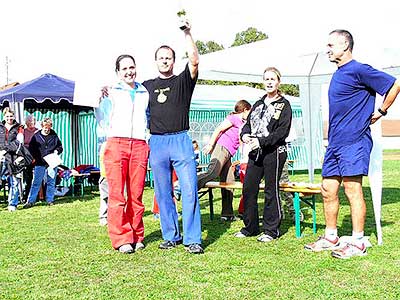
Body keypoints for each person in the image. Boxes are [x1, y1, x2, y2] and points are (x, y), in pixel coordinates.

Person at [304, 30, 400, 259]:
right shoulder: (338, 73)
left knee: (352, 189)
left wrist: (381, 111)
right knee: (328, 189)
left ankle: (358, 242)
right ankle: (331, 237)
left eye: (330, 44)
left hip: (355, 141)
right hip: (335, 143)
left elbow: (394, 84)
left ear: (345, 44)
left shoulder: (359, 69)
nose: (327, 49)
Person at [142, 19, 204, 254]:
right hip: (157, 142)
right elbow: (127, 92)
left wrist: (188, 32)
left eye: (168, 57)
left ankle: (193, 239)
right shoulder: (146, 86)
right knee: (162, 192)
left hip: (181, 140)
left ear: (174, 61)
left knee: (189, 190)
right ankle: (171, 235)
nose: (165, 61)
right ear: (156, 61)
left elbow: (195, 61)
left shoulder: (182, 81)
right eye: (161, 58)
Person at [234, 67, 292, 242]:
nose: (269, 82)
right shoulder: (258, 104)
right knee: (249, 188)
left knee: (270, 189)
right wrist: (244, 135)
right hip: (255, 151)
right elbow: (247, 125)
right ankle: (250, 227)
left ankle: (271, 230)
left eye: (272, 79)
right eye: (266, 79)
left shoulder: (284, 105)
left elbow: (282, 132)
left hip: (273, 152)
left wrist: (262, 141)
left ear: (278, 82)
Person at [99, 54, 150, 254]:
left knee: (136, 194)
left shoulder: (144, 92)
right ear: (118, 72)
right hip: (116, 143)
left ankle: (137, 235)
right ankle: (121, 238)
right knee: (117, 194)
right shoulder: (110, 92)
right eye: (124, 68)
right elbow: (100, 118)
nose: (129, 71)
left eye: (132, 67)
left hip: (138, 144)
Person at [197, 100, 251, 221]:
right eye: (250, 111)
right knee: (212, 172)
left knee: (229, 182)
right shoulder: (233, 118)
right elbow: (218, 129)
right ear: (245, 109)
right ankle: (186, 186)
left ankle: (227, 214)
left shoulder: (243, 122)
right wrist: (211, 144)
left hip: (229, 153)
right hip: (222, 147)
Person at [24, 117, 63, 207]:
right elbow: (31, 148)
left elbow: (60, 146)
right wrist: (34, 158)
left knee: (51, 181)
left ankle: (50, 200)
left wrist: (57, 151)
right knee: (36, 182)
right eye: (45, 127)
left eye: (48, 127)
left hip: (51, 162)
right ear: (42, 126)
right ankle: (30, 201)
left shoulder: (54, 135)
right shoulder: (36, 136)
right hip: (39, 162)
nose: (47, 129)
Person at [0, 107, 25, 212]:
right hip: (1, 158)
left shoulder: (19, 127)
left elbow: (18, 143)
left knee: (14, 182)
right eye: (7, 116)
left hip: (14, 158)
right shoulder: (0, 127)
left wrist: (5, 150)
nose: (9, 118)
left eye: (11, 116)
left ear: (14, 116)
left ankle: (12, 204)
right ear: (3, 116)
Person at [22, 114, 39, 203]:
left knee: (37, 178)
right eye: (30, 121)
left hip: (37, 157)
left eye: (33, 121)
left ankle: (37, 196)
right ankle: (26, 196)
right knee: (28, 179)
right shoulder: (23, 132)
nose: (31, 123)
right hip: (26, 157)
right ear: (26, 122)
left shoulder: (38, 131)